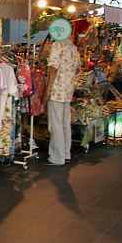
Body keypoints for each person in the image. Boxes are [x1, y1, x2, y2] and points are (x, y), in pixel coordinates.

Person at [42, 35, 79, 165]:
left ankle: (57, 157)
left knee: (55, 124)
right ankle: (65, 154)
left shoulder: (58, 46)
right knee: (64, 124)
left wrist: (47, 89)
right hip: (67, 90)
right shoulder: (72, 46)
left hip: (57, 90)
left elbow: (53, 69)